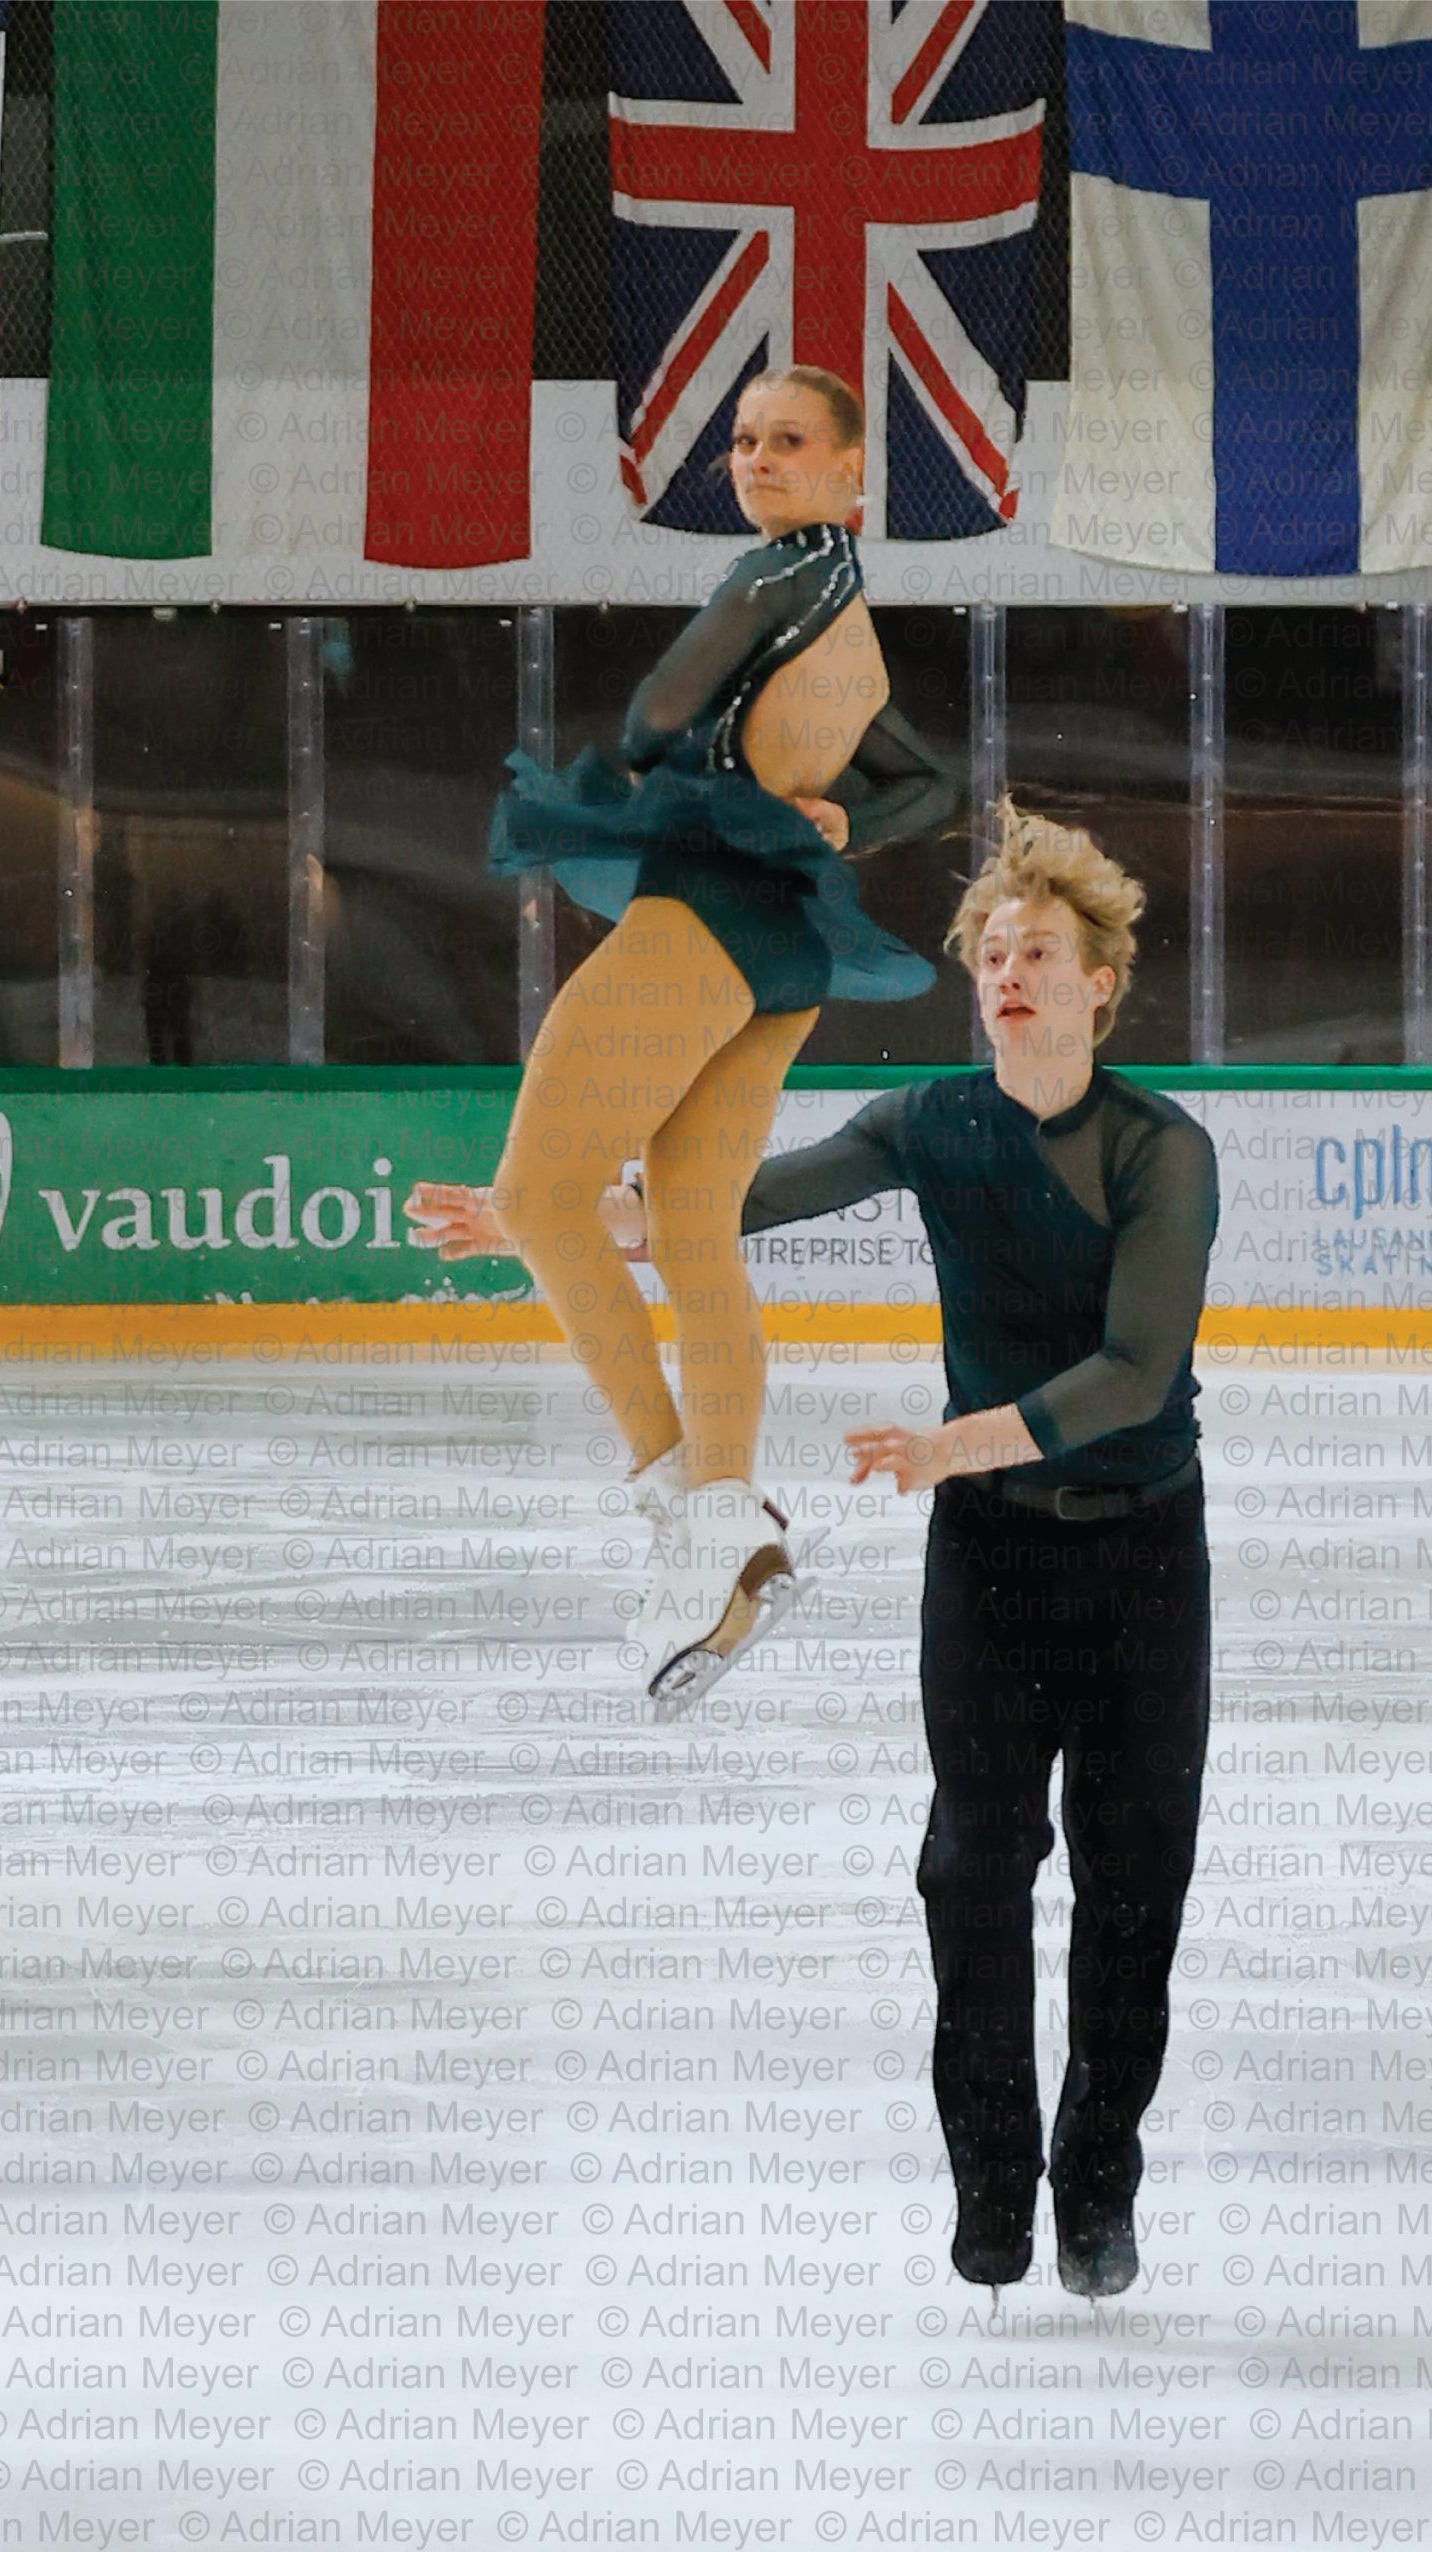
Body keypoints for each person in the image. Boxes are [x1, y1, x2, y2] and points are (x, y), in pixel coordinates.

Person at [410, 801, 1218, 2300]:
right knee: (973, 1872)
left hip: (1145, 1563)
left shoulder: (1161, 1151)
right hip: (988, 1561)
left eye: (1039, 951)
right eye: (990, 953)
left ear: (1102, 980)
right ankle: (993, 2185)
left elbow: (1138, 1371)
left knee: (1134, 1886)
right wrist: (547, 1219)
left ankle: (1097, 2187)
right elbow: (726, 1208)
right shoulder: (928, 1122)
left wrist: (947, 1443)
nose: (1009, 973)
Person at [409, 366, 962, 1711]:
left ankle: (683, 1497)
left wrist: (688, 758)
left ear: (850, 475)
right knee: (694, 1227)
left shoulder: (787, 575)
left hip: (710, 906)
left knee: (540, 1194)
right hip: (782, 944)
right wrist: (843, 817)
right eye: (746, 441)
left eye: (789, 441)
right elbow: (927, 780)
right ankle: (731, 1523)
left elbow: (659, 711)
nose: (757, 460)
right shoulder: (853, 624)